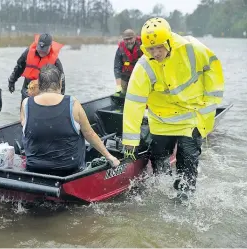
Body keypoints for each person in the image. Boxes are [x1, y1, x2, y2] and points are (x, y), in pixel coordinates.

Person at [122, 17, 225, 198]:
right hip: (161, 120)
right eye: (150, 49)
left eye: (159, 47)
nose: (155, 53)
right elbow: (134, 102)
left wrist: (208, 107)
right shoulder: (144, 66)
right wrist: (130, 140)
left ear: (169, 41)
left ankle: (185, 200)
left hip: (191, 116)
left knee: (187, 162)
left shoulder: (193, 49)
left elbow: (213, 70)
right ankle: (164, 199)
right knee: (159, 162)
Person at [21, 64, 120, 176]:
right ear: (60, 83)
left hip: (34, 169)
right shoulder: (72, 103)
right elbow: (90, 134)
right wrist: (109, 157)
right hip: (68, 170)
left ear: (40, 84)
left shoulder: (26, 104)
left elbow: (27, 131)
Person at [8, 33, 65, 102]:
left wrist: (60, 98)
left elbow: (61, 80)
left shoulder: (55, 62)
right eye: (40, 48)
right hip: (27, 91)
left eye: (44, 50)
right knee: (25, 111)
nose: (41, 51)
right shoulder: (28, 52)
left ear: (50, 46)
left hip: (45, 95)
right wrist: (12, 81)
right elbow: (19, 67)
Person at [114, 29, 143, 95]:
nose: (129, 41)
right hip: (126, 76)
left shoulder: (143, 45)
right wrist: (118, 85)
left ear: (135, 37)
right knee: (123, 93)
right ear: (123, 40)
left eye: (130, 38)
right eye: (126, 39)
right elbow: (117, 67)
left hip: (141, 76)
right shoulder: (120, 49)